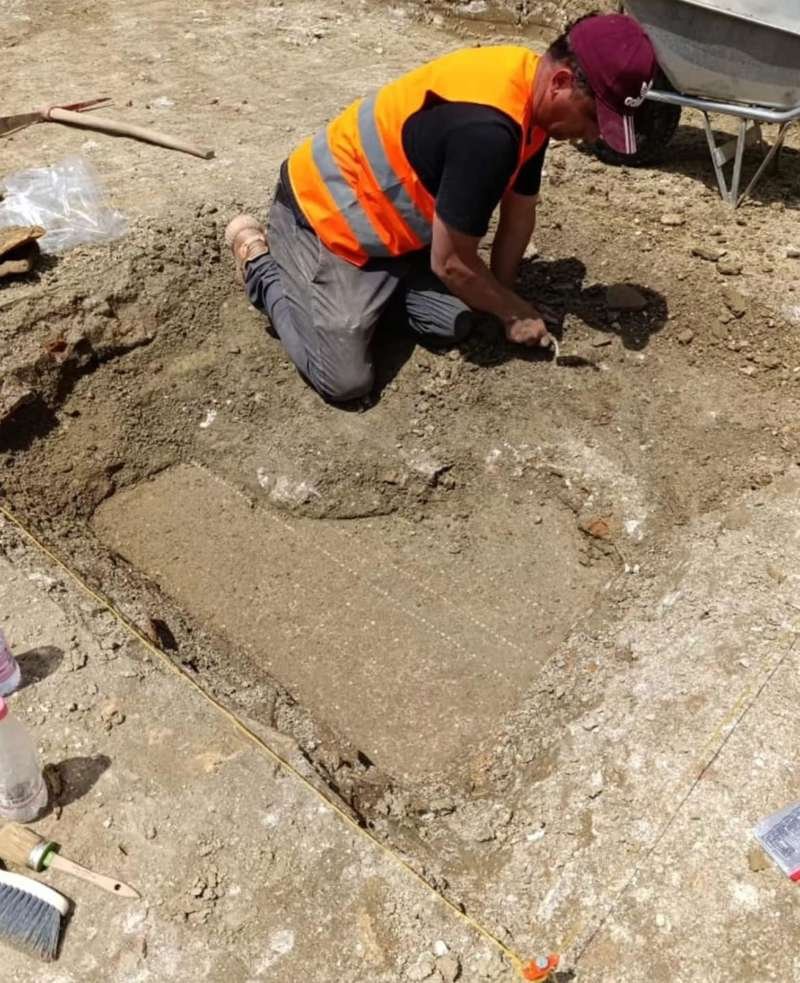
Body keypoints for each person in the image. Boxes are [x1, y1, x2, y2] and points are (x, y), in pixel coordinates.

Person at [225, 12, 656, 403]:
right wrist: (513, 311)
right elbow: (450, 263)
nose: (594, 136)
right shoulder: (489, 131)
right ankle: (262, 265)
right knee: (345, 379)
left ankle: (370, 299)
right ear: (561, 82)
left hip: (392, 234)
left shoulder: (531, 93)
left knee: (456, 321)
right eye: (594, 118)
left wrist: (507, 303)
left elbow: (519, 213)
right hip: (324, 219)